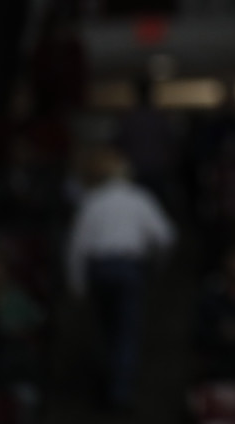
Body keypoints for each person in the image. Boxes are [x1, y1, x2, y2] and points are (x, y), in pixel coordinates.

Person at [64, 143, 177, 411]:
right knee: (125, 331)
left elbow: (76, 246)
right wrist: (156, 265)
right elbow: (166, 237)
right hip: (128, 268)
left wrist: (76, 283)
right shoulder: (139, 198)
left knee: (108, 329)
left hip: (101, 269)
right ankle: (119, 393)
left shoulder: (93, 200)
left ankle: (111, 388)